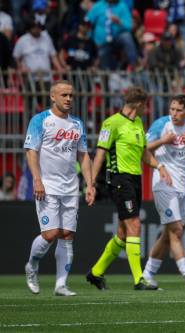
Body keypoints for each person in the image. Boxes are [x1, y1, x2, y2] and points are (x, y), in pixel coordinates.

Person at [86, 86, 169, 290]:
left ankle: (95, 273)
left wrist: (159, 166)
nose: (146, 110)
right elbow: (100, 154)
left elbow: (144, 153)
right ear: (139, 104)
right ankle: (139, 279)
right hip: (119, 179)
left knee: (123, 233)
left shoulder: (138, 123)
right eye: (145, 106)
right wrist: (90, 184)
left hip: (135, 179)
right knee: (135, 225)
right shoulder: (111, 123)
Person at [23, 80, 95, 296]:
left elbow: (83, 155)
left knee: (67, 234)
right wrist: (37, 179)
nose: (68, 99)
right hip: (48, 186)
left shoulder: (77, 124)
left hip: (71, 187)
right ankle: (32, 265)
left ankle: (60, 285)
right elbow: (31, 151)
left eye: (71, 95)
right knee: (50, 234)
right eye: (64, 95)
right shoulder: (41, 120)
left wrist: (89, 184)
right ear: (53, 97)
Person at [141, 95, 185, 291]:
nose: (174, 113)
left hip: (183, 186)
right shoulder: (161, 124)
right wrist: (163, 140)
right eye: (172, 109)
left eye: (179, 110)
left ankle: (147, 275)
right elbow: (143, 150)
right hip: (163, 183)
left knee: (167, 234)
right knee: (177, 231)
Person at [85, 0, 138, 70]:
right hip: (100, 41)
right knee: (104, 62)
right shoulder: (99, 5)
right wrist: (90, 36)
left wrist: (119, 22)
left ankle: (133, 64)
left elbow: (129, 26)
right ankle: (105, 73)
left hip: (117, 38)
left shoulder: (122, 6)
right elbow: (88, 20)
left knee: (126, 37)